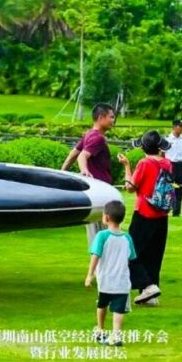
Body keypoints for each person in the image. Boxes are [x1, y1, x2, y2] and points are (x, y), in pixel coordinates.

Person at [118, 130, 172, 307]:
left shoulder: (144, 163)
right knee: (154, 254)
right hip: (162, 215)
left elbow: (130, 188)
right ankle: (151, 295)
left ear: (143, 147)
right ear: (160, 147)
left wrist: (126, 166)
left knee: (130, 252)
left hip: (144, 214)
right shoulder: (167, 163)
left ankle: (147, 286)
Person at [61, 103, 115, 244]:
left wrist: (62, 172)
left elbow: (74, 154)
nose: (113, 120)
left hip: (95, 193)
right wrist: (84, 170)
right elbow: (82, 156)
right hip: (101, 192)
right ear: (100, 117)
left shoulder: (89, 135)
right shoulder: (98, 138)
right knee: (104, 237)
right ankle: (101, 265)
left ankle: (98, 265)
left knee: (96, 236)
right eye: (111, 117)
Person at [85, 201, 135, 347]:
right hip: (122, 282)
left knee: (102, 304)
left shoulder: (102, 236)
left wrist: (90, 274)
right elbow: (131, 257)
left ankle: (100, 329)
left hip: (105, 280)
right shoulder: (127, 238)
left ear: (106, 218)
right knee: (119, 309)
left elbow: (95, 256)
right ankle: (116, 335)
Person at [165, 119, 182, 217]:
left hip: (180, 165)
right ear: (175, 127)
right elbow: (162, 153)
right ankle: (165, 209)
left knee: (179, 188)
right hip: (170, 165)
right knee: (169, 187)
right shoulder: (167, 139)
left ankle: (176, 211)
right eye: (180, 126)